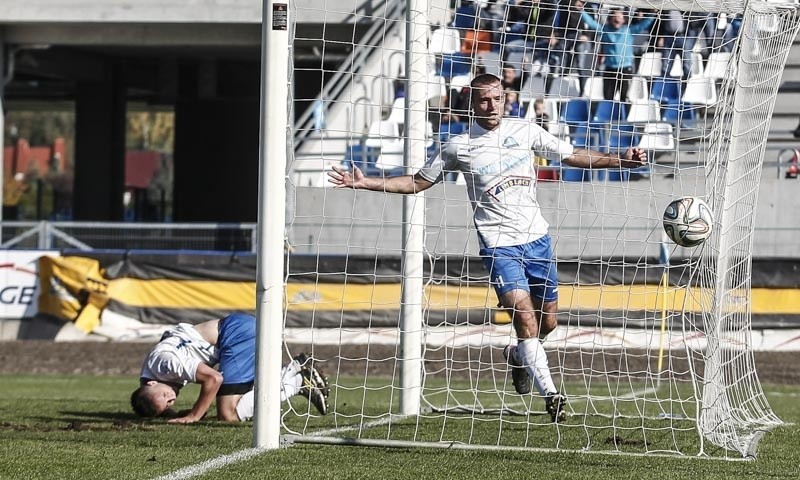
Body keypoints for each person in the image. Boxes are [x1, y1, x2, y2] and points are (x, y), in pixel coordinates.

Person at [328, 74, 648, 422]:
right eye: (484, 100)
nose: (492, 105)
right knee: (525, 318)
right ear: (472, 104)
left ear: (505, 99)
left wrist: (620, 159)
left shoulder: (525, 131)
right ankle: (553, 396)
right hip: (498, 246)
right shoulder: (458, 146)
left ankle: (518, 355)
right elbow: (418, 182)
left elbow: (571, 155)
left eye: (497, 98)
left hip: (537, 240)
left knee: (549, 323)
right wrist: (366, 182)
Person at [130, 312, 329, 423]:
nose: (172, 399)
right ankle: (296, 369)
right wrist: (170, 413)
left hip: (236, 335)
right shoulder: (150, 379)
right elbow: (150, 398)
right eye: (168, 403)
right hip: (238, 329)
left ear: (153, 382)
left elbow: (214, 379)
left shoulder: (166, 363)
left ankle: (298, 380)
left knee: (228, 414)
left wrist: (193, 415)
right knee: (238, 399)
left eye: (166, 396)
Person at [581, 7, 655, 101]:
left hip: (625, 70)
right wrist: (581, 11)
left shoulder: (629, 31)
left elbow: (644, 24)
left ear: (624, 19)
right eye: (615, 17)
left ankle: (622, 115)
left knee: (624, 98)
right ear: (610, 18)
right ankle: (609, 115)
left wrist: (652, 14)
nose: (617, 19)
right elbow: (592, 24)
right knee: (608, 98)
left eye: (620, 17)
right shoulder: (605, 31)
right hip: (609, 70)